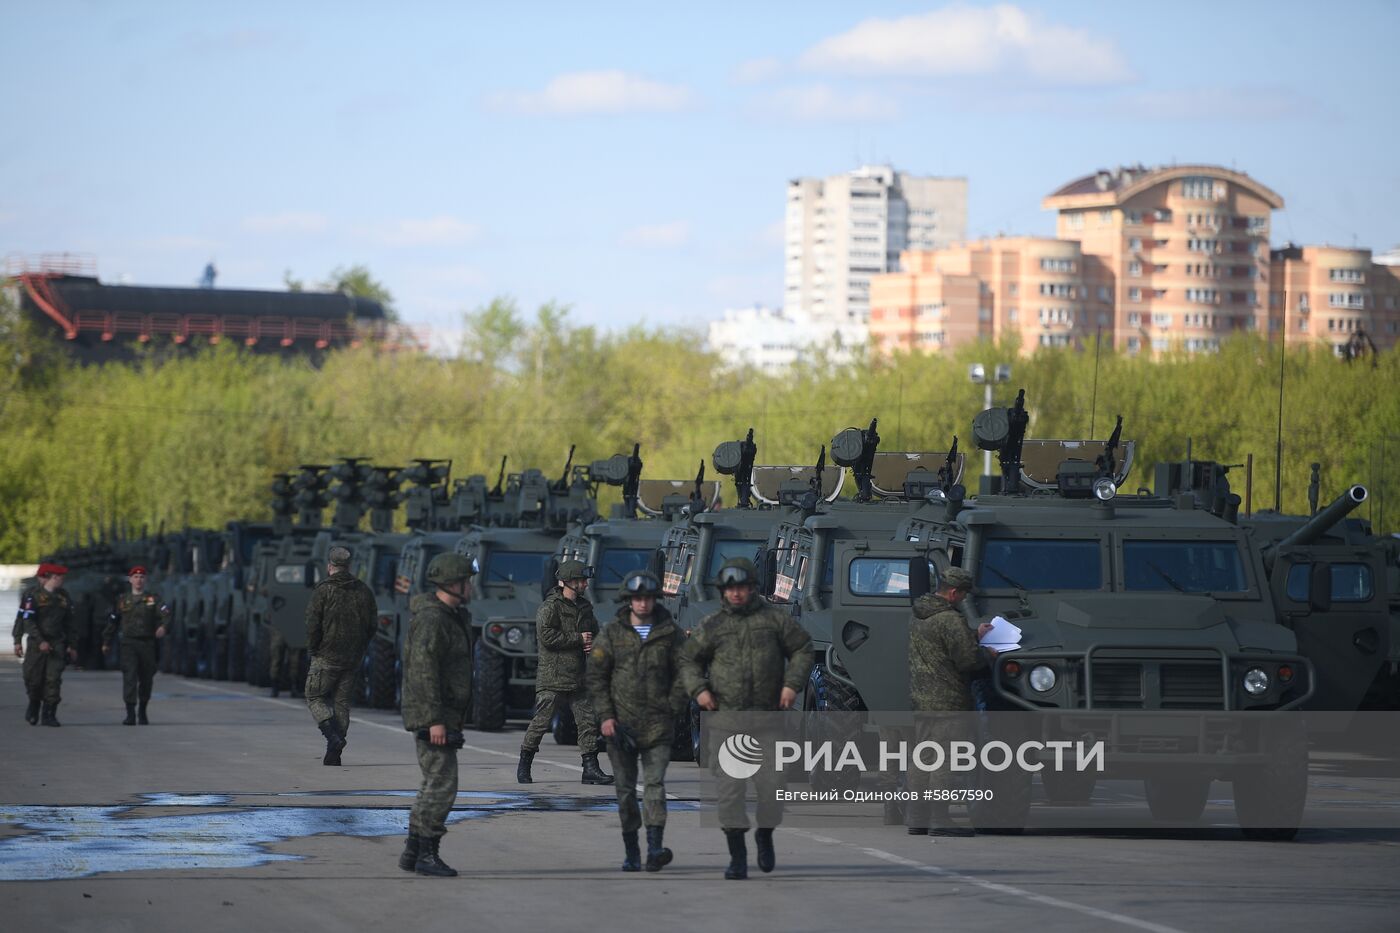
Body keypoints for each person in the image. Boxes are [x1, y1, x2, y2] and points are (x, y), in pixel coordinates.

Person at [679, 557, 813, 880]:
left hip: (768, 722)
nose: (736, 594)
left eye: (741, 588)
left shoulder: (774, 621)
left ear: (752, 588)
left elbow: (803, 648)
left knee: (772, 789)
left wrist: (791, 685)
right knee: (730, 794)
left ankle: (764, 834)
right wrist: (698, 690)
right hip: (727, 724)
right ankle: (737, 856)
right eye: (730, 589)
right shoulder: (712, 626)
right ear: (723, 592)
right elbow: (688, 660)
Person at [587, 570, 685, 872]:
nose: (643, 603)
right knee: (626, 791)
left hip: (658, 724)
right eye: (637, 598)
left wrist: (673, 705)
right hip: (620, 726)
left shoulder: (670, 632)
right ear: (629, 601)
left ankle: (655, 847)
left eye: (648, 598)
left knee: (654, 785)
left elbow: (686, 671)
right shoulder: (613, 632)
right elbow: (596, 676)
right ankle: (632, 850)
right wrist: (605, 716)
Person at [399, 552, 477, 878]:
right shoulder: (433, 619)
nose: (471, 587)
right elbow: (423, 671)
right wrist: (434, 720)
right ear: (452, 584)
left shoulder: (452, 615)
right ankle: (427, 854)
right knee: (443, 785)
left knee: (433, 782)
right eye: (466, 582)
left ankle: (414, 850)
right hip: (435, 715)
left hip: (444, 713)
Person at [906, 566, 996, 837]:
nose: (964, 599)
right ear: (954, 592)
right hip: (949, 702)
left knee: (923, 759)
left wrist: (973, 635)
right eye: (964, 594)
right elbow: (967, 660)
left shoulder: (919, 615)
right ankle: (940, 818)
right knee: (945, 760)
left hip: (923, 700)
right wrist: (987, 653)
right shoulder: (950, 620)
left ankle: (917, 818)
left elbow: (941, 649)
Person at [517, 559, 612, 786]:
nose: (585, 585)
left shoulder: (585, 607)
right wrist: (578, 639)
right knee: (541, 723)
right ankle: (524, 764)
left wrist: (594, 645)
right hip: (554, 677)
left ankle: (590, 769)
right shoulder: (550, 607)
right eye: (581, 581)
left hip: (579, 677)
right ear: (569, 582)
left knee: (588, 722)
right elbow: (547, 637)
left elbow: (595, 633)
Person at [304, 545, 378, 765]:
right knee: (342, 703)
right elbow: (372, 625)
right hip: (352, 657)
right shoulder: (364, 590)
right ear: (349, 566)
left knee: (314, 696)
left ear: (330, 567)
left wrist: (313, 647)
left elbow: (312, 623)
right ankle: (334, 753)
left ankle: (331, 736)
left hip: (326, 655)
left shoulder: (323, 590)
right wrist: (361, 646)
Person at [100, 566, 170, 725]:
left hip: (147, 643)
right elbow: (112, 622)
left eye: (142, 577)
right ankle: (130, 713)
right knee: (130, 677)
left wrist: (163, 627)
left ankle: (142, 710)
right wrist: (106, 641)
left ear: (145, 580)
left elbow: (166, 614)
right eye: (136, 577)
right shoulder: (122, 600)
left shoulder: (153, 599)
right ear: (130, 580)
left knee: (146, 678)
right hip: (128, 644)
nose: (139, 580)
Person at [12, 563, 77, 727]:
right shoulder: (32, 596)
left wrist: (72, 645)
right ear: (53, 577)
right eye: (60, 577)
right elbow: (25, 620)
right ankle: (34, 704)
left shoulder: (63, 597)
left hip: (57, 644)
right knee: (32, 679)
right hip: (36, 644)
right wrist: (19, 640)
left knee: (53, 680)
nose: (62, 580)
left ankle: (49, 714)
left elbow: (70, 623)